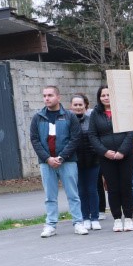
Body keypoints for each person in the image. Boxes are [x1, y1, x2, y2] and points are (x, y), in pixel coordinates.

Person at [28, 85, 88, 238]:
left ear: (58, 97)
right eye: (44, 96)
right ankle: (50, 225)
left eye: (50, 95)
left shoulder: (69, 116)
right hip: (46, 163)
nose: (47, 98)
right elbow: (35, 140)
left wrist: (61, 157)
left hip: (67, 162)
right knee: (50, 196)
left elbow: (75, 138)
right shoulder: (38, 117)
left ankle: (78, 222)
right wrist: (47, 158)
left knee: (73, 194)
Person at [88, 85, 133, 232]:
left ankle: (128, 218)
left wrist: (122, 151)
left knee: (126, 186)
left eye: (108, 95)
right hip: (106, 157)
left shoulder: (124, 110)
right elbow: (92, 135)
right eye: (103, 95)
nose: (106, 98)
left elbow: (131, 131)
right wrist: (104, 152)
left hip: (126, 156)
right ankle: (117, 218)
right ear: (99, 97)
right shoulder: (95, 114)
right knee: (113, 188)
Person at [70, 94, 101, 230]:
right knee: (81, 190)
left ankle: (95, 217)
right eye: (75, 105)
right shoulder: (68, 121)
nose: (78, 107)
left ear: (85, 106)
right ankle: (85, 217)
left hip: (93, 160)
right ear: (71, 107)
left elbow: (96, 138)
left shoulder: (92, 119)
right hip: (75, 161)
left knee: (92, 189)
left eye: (80, 105)